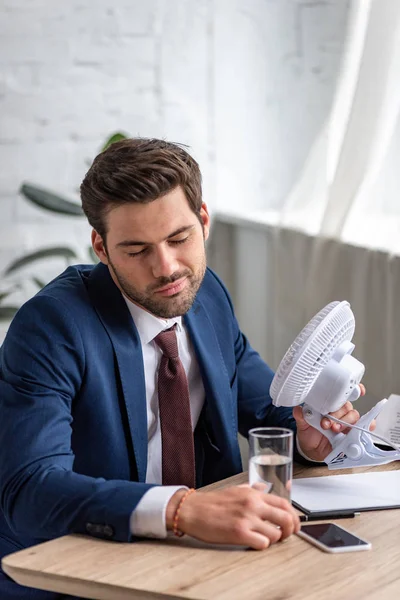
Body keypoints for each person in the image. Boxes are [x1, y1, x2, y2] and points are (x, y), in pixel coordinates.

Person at [0, 138, 362, 599]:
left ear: (204, 220)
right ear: (101, 247)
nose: (167, 267)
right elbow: (30, 490)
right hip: (72, 572)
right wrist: (180, 510)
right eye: (136, 250)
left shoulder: (204, 292)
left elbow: (267, 410)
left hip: (198, 560)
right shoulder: (52, 327)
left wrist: (310, 436)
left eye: (179, 238)